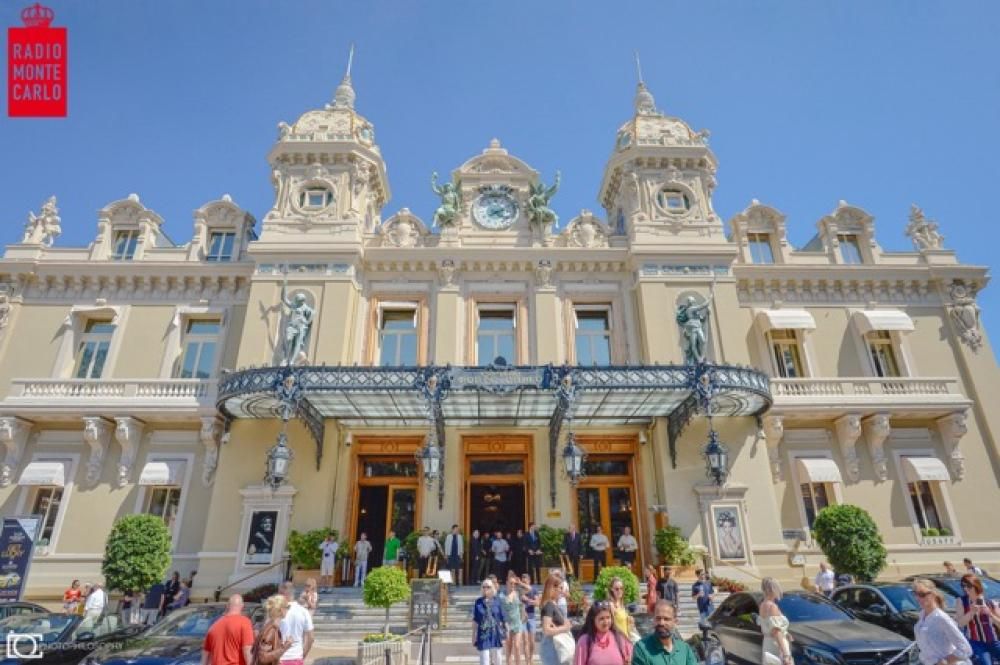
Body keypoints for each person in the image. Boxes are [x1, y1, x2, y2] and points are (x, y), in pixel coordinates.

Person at [913, 578, 973, 665]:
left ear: (933, 594)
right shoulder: (922, 616)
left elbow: (965, 649)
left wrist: (945, 661)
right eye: (915, 594)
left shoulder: (941, 618)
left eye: (922, 594)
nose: (918, 598)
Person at [632, 600, 697, 665]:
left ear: (675, 622)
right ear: (653, 620)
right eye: (658, 618)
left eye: (666, 619)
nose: (661, 623)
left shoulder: (684, 649)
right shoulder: (642, 648)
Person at [955, 574, 1000, 665]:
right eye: (963, 586)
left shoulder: (990, 602)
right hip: (976, 643)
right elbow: (960, 624)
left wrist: (990, 614)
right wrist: (971, 612)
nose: (965, 588)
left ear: (976, 585)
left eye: (968, 585)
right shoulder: (961, 601)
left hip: (994, 641)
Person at [573, 601, 633, 665]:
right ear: (593, 620)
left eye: (608, 617)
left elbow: (630, 660)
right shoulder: (585, 641)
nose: (606, 622)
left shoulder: (619, 638)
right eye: (601, 619)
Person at [201, 594, 254, 665]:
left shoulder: (214, 626)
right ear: (242, 606)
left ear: (227, 606)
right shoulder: (245, 622)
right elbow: (247, 651)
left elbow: (205, 657)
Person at [540, 573, 575, 665]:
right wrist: (565, 628)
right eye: (561, 588)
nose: (562, 591)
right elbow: (546, 630)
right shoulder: (549, 605)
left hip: (555, 648)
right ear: (553, 588)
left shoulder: (553, 605)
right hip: (552, 649)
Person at [278, 581, 315, 665]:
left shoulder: (275, 611)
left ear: (281, 594)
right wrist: (303, 655)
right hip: (296, 657)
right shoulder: (303, 611)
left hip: (279, 658)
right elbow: (311, 638)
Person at [251, 594, 293, 665]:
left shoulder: (270, 626)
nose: (288, 610)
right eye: (287, 607)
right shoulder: (271, 629)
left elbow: (254, 651)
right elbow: (263, 657)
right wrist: (285, 647)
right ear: (282, 609)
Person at [758, 578, 792, 665]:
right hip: (777, 645)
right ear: (773, 590)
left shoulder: (762, 605)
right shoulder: (772, 606)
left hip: (767, 643)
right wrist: (785, 654)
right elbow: (776, 631)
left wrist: (786, 633)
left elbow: (768, 625)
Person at [472, 578, 506, 665]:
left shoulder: (498, 601)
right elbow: (475, 620)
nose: (485, 588)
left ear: (492, 588)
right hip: (483, 634)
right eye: (484, 587)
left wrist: (506, 633)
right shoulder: (478, 602)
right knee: (485, 661)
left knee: (497, 660)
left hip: (496, 634)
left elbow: (503, 618)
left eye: (488, 587)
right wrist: (473, 635)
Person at [500, 571, 528, 665]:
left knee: (517, 646)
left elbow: (529, 589)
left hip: (517, 623)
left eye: (514, 583)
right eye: (511, 583)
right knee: (509, 648)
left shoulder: (518, 593)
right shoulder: (501, 595)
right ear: (507, 583)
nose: (513, 585)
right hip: (507, 624)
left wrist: (520, 583)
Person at [607, 576, 637, 642]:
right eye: (617, 589)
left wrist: (629, 620)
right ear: (612, 589)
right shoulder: (611, 605)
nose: (619, 591)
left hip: (626, 639)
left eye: (621, 588)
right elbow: (611, 626)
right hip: (618, 641)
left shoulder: (621, 603)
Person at [521, 573, 539, 664]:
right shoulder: (520, 591)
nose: (524, 583)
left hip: (531, 617)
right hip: (522, 618)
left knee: (532, 641)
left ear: (529, 581)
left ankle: (531, 657)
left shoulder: (533, 590)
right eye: (523, 581)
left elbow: (537, 603)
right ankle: (527, 661)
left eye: (525, 581)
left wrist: (528, 600)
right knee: (525, 640)